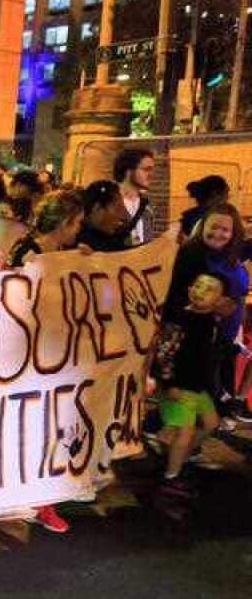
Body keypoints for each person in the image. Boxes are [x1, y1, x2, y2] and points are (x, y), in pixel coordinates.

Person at [160, 203, 248, 426]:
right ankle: (166, 439)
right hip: (192, 340)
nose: (218, 233)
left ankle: (184, 445)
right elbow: (178, 299)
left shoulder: (229, 254)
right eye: (213, 227)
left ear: (233, 233)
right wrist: (214, 307)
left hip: (221, 338)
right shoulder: (191, 255)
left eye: (225, 230)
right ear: (202, 226)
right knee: (193, 399)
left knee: (204, 402)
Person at [151, 271, 229, 502]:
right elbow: (164, 354)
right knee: (184, 433)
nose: (201, 292)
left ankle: (177, 455)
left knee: (211, 423)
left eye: (209, 289)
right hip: (179, 387)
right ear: (189, 290)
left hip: (197, 386)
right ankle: (171, 476)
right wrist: (169, 383)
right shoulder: (179, 320)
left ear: (219, 299)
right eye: (198, 286)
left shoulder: (211, 319)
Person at [8, 190, 87, 266]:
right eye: (78, 222)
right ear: (64, 223)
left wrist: (89, 260)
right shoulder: (24, 252)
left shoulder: (62, 249)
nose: (79, 228)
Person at [114, 148, 155, 245]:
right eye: (146, 169)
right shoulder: (106, 202)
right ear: (129, 171)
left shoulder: (147, 205)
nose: (151, 175)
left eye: (151, 170)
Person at [76, 180, 131, 252]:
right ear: (97, 208)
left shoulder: (110, 236)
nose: (123, 217)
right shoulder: (74, 242)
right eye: (117, 209)